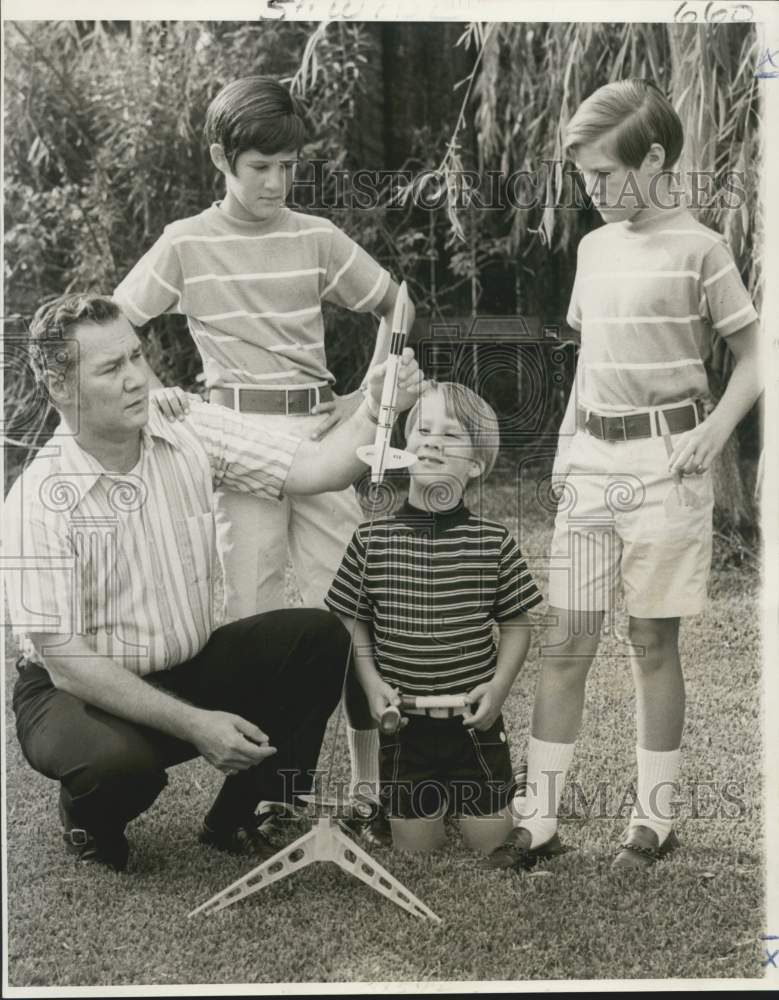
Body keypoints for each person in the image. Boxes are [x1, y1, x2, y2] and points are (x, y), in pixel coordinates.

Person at [4, 293, 423, 872]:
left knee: (319, 637)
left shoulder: (186, 426)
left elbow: (317, 468)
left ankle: (239, 816)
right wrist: (196, 725)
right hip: (75, 690)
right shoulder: (36, 498)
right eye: (110, 368)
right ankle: (88, 821)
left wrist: (380, 405)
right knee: (117, 764)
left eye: (135, 357)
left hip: (185, 665)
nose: (135, 379)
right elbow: (66, 660)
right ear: (59, 388)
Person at [112, 76, 416, 823]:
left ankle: (370, 789)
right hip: (234, 446)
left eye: (289, 166)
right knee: (254, 623)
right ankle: (266, 795)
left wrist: (367, 389)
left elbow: (397, 301)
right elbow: (114, 323)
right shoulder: (185, 242)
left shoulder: (313, 236)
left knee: (347, 612)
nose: (278, 181)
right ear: (222, 157)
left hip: (321, 437)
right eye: (261, 167)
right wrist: (152, 388)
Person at [482, 79, 761, 873]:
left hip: (665, 464)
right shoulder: (592, 247)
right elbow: (590, 364)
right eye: (583, 177)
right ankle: (537, 820)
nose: (592, 191)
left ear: (657, 159)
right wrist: (568, 453)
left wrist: (713, 431)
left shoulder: (701, 250)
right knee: (566, 639)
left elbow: (753, 356)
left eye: (605, 175)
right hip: (592, 461)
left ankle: (654, 818)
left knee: (648, 641)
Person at [325, 382, 543, 855]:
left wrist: (500, 687)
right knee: (416, 853)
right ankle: (417, 804)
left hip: (474, 726)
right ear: (405, 450)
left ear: (477, 465)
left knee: (492, 849)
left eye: (452, 434)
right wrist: (371, 680)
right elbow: (351, 619)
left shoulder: (494, 541)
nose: (433, 441)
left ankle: (503, 790)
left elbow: (518, 624)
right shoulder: (371, 540)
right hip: (405, 727)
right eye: (422, 429)